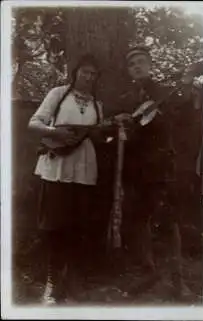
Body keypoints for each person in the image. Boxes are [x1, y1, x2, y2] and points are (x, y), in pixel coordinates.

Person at [28, 54, 110, 305]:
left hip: (84, 171)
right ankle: (52, 283)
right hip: (58, 167)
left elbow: (97, 138)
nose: (88, 77)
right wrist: (56, 132)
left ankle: (72, 280)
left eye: (93, 74)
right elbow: (33, 123)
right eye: (84, 71)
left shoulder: (98, 105)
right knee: (55, 226)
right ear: (75, 73)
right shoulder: (59, 94)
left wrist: (110, 131)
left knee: (77, 226)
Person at [112, 46, 191, 301]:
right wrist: (121, 120)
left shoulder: (166, 93)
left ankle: (178, 280)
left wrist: (160, 115)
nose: (136, 66)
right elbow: (118, 127)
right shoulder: (125, 97)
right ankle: (148, 272)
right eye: (132, 63)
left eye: (141, 61)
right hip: (135, 169)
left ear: (150, 64)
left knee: (169, 221)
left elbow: (179, 122)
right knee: (139, 220)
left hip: (161, 168)